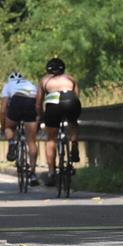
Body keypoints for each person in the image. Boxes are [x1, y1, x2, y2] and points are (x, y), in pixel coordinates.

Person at [37, 57, 82, 186]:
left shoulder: (44, 81)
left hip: (53, 107)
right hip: (70, 102)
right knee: (73, 123)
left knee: (51, 138)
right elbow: (77, 97)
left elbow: (38, 104)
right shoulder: (70, 79)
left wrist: (41, 117)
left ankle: (51, 172)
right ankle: (74, 145)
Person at [0, 71, 40, 186]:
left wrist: (4, 127)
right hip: (31, 101)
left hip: (17, 100)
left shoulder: (8, 85)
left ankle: (12, 143)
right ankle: (32, 174)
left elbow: (3, 110)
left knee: (9, 127)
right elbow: (39, 104)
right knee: (31, 141)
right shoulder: (31, 84)